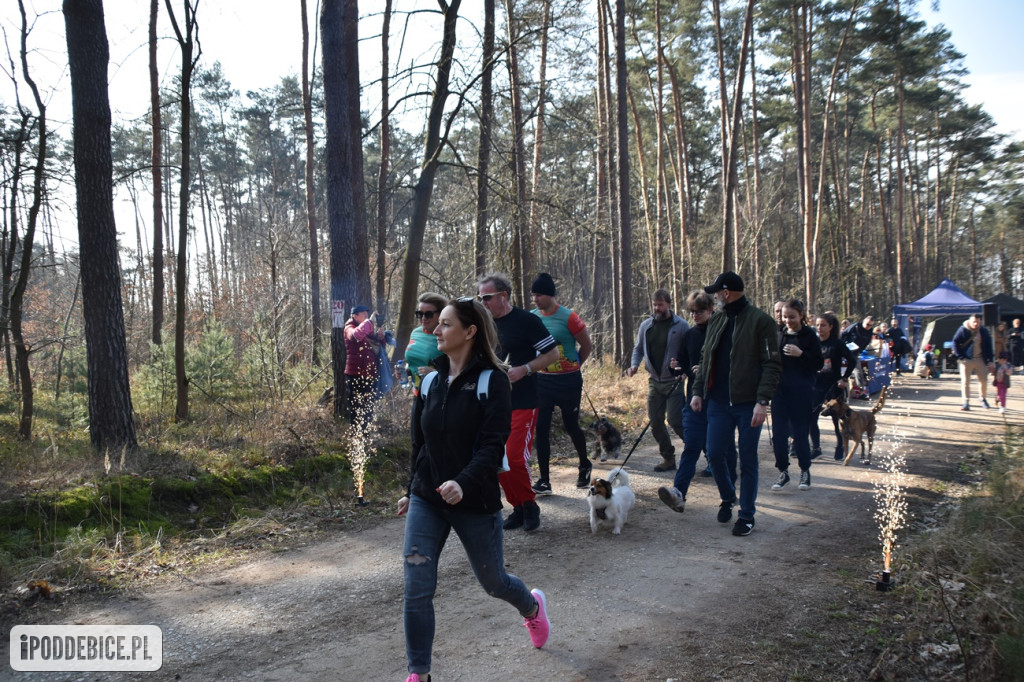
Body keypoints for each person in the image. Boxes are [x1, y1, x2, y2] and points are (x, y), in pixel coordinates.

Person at [398, 297, 550, 682]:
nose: (435, 330)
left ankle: (531, 608)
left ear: (470, 332)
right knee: (416, 588)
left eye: (444, 324)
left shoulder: (492, 381)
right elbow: (420, 444)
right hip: (427, 498)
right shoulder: (430, 379)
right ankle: (420, 674)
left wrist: (462, 483)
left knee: (493, 582)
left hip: (475, 500)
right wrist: (410, 488)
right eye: (436, 323)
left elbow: (493, 443)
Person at [691, 272, 781, 536]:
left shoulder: (761, 322)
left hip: (748, 404)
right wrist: (698, 391)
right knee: (715, 453)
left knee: (748, 459)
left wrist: (762, 401)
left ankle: (747, 515)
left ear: (726, 293)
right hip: (718, 402)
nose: (715, 297)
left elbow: (772, 364)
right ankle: (729, 496)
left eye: (716, 293)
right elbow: (705, 357)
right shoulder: (717, 319)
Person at [477, 274, 560, 532]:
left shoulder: (527, 321)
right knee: (496, 457)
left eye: (487, 298)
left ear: (503, 296)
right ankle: (517, 507)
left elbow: (552, 354)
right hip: (492, 402)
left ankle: (530, 505)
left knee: (513, 456)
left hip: (523, 399)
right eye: (480, 298)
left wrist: (525, 369)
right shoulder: (482, 324)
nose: (484, 303)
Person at [658, 291, 738, 515]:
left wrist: (706, 369)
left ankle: (730, 493)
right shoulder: (691, 335)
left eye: (699, 312)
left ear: (711, 310)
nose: (694, 316)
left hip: (720, 400)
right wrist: (677, 367)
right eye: (691, 312)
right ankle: (678, 493)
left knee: (722, 450)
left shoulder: (724, 332)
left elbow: (732, 365)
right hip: (694, 398)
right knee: (692, 446)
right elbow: (683, 363)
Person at [529, 273, 594, 494]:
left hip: (568, 382)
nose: (535, 299)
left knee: (571, 425)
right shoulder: (532, 317)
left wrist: (574, 366)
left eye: (538, 294)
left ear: (549, 295)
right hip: (542, 381)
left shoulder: (569, 317)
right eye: (533, 295)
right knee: (542, 428)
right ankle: (545, 480)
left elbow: (586, 346)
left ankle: (584, 464)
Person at [626, 289, 689, 472]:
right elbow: (638, 349)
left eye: (660, 304)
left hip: (674, 381)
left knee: (676, 420)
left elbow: (690, 351)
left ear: (669, 304)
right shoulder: (646, 325)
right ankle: (668, 458)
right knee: (655, 423)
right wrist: (634, 365)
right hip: (654, 381)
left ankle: (702, 448)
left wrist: (684, 370)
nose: (657, 308)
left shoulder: (681, 325)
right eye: (654, 304)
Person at [769, 299, 823, 491]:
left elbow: (818, 364)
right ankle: (783, 472)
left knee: (800, 434)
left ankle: (805, 471)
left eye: (792, 317)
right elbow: (771, 363)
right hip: (780, 392)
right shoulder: (779, 334)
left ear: (801, 315)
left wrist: (801, 354)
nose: (788, 321)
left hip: (801, 392)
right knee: (778, 436)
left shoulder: (809, 336)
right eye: (785, 317)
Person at [811, 312, 857, 461]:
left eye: (823, 325)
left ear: (831, 327)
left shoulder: (837, 343)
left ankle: (840, 447)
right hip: (817, 386)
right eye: (817, 325)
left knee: (837, 420)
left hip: (834, 386)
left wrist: (844, 378)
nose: (819, 328)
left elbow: (852, 360)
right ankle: (816, 448)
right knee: (812, 417)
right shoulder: (814, 342)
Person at [344, 304, 387, 425]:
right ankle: (356, 437)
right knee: (356, 408)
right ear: (355, 316)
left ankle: (366, 436)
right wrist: (369, 322)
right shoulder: (349, 328)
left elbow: (379, 349)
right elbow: (356, 336)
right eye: (364, 315)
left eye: (367, 315)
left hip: (370, 374)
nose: (367, 317)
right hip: (355, 375)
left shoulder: (367, 329)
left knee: (368, 408)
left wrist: (381, 338)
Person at [404, 293, 446, 395]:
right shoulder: (415, 332)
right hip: (418, 393)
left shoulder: (446, 335)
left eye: (428, 314)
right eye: (419, 314)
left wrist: (434, 373)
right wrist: (406, 370)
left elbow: (457, 370)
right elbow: (413, 362)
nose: (423, 318)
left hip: (437, 394)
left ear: (440, 314)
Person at [952, 313, 995, 410]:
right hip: (966, 359)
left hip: (980, 358)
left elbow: (989, 346)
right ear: (970, 321)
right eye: (974, 322)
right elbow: (955, 342)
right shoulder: (963, 329)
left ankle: (982, 398)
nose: (976, 324)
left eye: (978, 322)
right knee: (965, 381)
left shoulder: (983, 331)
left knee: (983, 380)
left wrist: (990, 360)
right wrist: (960, 357)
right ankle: (966, 402)